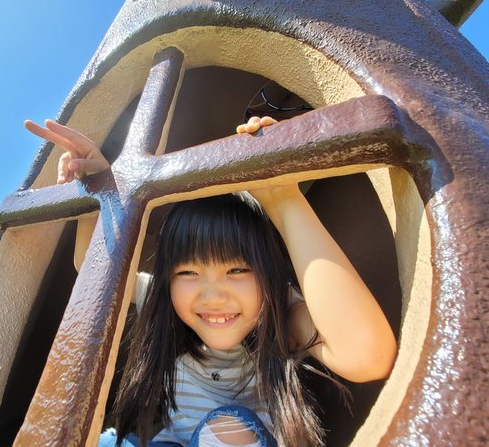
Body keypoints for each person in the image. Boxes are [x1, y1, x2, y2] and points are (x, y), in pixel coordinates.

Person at [24, 117, 397, 446]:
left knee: (225, 431)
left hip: (237, 438)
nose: (213, 295)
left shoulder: (282, 313)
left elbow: (366, 355)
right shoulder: (164, 299)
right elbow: (93, 269)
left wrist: (283, 198)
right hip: (169, 440)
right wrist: (102, 190)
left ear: (267, 272)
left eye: (236, 271)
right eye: (188, 272)